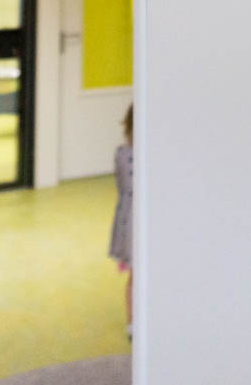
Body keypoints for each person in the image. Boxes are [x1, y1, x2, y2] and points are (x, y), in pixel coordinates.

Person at [109, 104, 134, 338]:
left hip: (128, 219)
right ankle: (133, 323)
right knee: (137, 278)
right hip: (134, 223)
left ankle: (132, 324)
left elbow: (121, 185)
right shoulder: (132, 155)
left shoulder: (121, 154)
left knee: (134, 278)